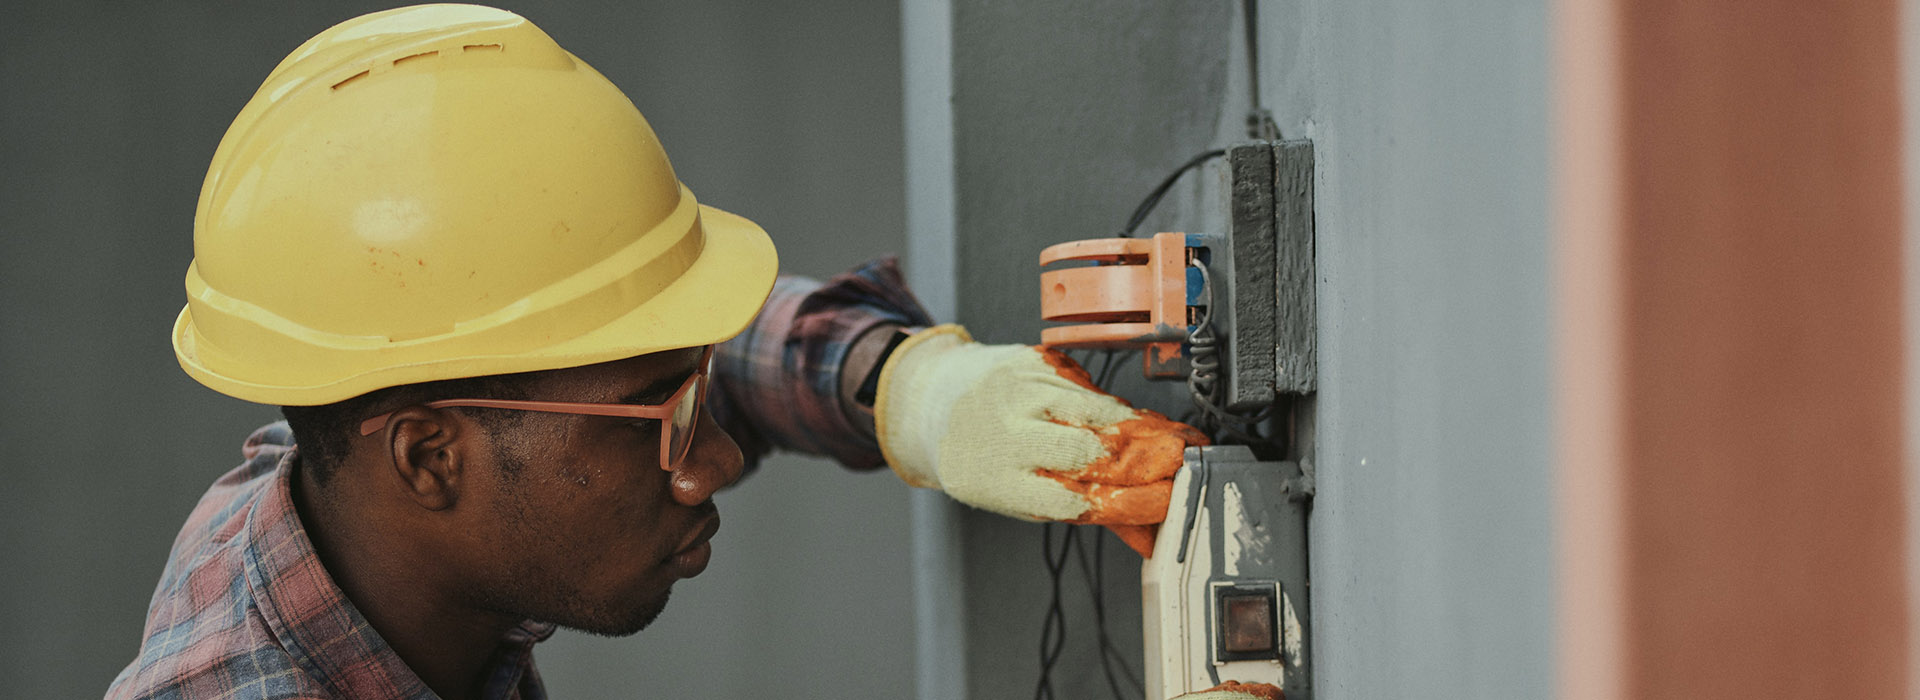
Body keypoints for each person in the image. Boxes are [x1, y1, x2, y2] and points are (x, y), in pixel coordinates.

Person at [106, 6, 1269, 700]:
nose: (712, 461)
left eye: (696, 390)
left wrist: (906, 389)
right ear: (428, 459)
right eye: (665, 421)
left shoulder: (342, 462)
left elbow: (630, 360)